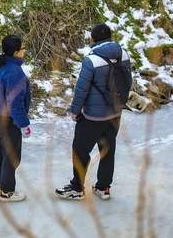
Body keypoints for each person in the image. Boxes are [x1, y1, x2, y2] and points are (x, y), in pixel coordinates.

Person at [55, 24, 133, 201]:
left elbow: (81, 90)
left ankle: (77, 188)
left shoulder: (91, 60)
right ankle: (103, 187)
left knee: (80, 149)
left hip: (93, 116)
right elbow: (127, 81)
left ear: (93, 39)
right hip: (115, 113)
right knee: (107, 149)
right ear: (110, 37)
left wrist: (75, 111)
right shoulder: (124, 54)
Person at [0, 34, 32, 202]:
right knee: (10, 154)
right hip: (8, 120)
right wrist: (23, 124)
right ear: (16, 52)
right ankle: (7, 192)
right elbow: (15, 102)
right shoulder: (14, 72)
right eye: (23, 48)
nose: (25, 50)